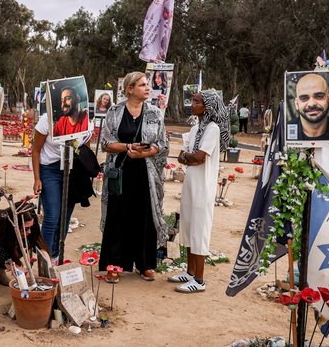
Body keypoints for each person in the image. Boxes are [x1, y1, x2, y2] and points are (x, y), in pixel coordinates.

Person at [98, 72, 169, 282]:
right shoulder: (115, 111)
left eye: (148, 84)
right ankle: (114, 264)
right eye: (142, 85)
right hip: (120, 172)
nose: (148, 88)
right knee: (117, 218)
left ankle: (144, 263)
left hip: (147, 175)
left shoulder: (155, 113)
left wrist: (145, 152)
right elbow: (106, 143)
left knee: (145, 216)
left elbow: (163, 143)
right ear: (130, 89)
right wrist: (128, 147)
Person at [169, 91, 229, 292]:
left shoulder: (212, 129)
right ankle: (190, 272)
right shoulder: (196, 128)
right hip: (190, 183)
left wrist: (189, 156)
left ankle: (200, 280)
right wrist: (189, 156)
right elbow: (184, 157)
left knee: (200, 229)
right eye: (192, 101)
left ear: (208, 107)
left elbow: (200, 156)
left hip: (203, 186)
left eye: (196, 102)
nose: (191, 104)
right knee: (187, 226)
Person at [32, 90, 92, 262]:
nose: (64, 101)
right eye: (61, 98)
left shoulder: (86, 122)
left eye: (68, 97)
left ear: (77, 98)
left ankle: (55, 256)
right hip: (49, 170)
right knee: (51, 216)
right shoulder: (47, 120)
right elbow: (36, 150)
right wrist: (37, 178)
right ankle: (45, 258)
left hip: (72, 173)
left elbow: (85, 151)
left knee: (64, 218)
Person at [286, 74, 329, 140]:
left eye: (319, 96)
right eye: (304, 98)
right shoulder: (285, 132)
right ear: (296, 103)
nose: (311, 104)